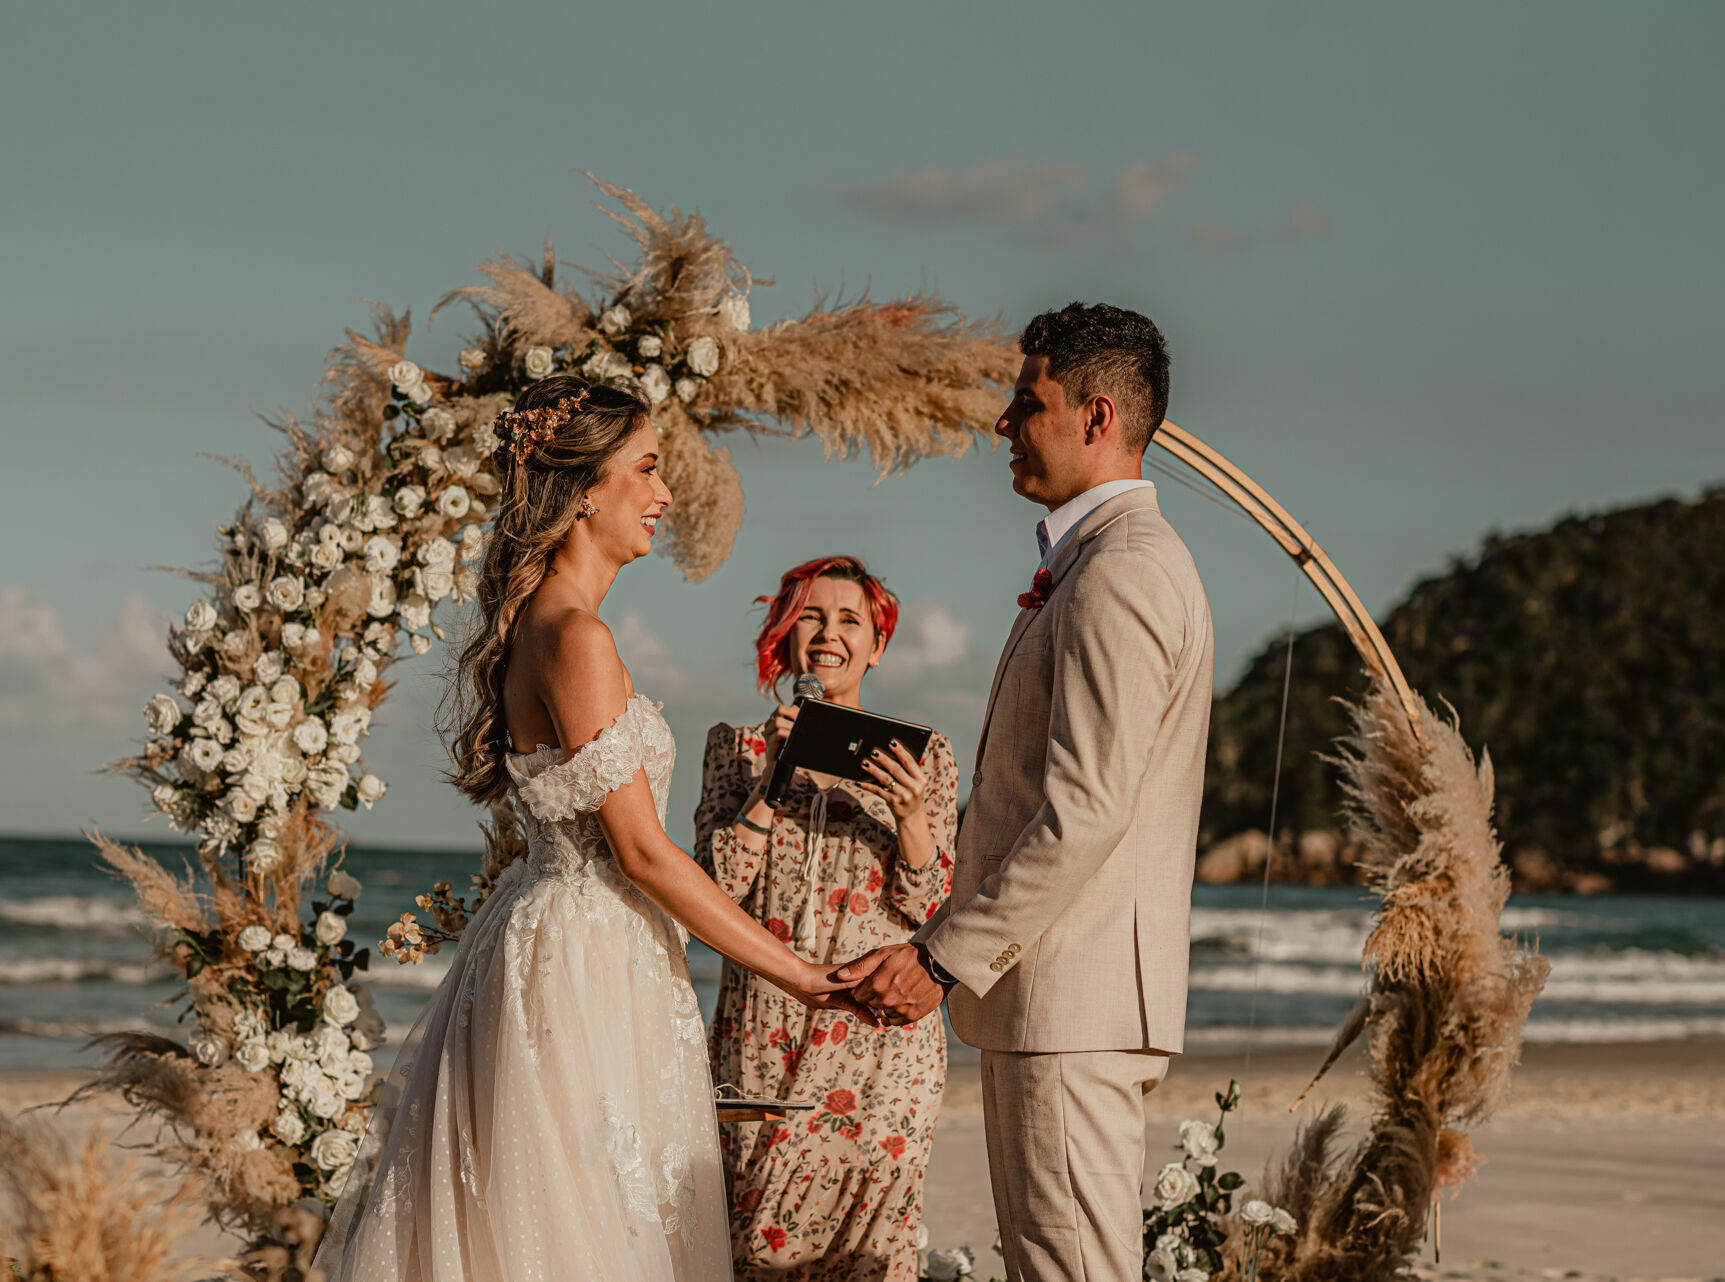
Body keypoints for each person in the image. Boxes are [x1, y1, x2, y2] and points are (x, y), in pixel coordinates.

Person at [318, 376, 867, 1282]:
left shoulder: (546, 627)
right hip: (584, 960)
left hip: (557, 939)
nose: (663, 495)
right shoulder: (576, 638)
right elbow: (645, 853)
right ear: (582, 489)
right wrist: (802, 976)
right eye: (646, 471)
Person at [840, 304, 1214, 1282]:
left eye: (1026, 401)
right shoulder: (1091, 564)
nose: (1001, 423)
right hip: (1055, 1002)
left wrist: (942, 956)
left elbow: (1086, 807)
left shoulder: (1123, 570)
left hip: (1072, 1004)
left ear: (1097, 415)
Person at [694, 556, 957, 1280]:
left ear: (877, 643)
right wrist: (771, 779)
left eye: (850, 620)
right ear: (784, 635)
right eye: (810, 615)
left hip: (883, 1041)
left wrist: (909, 814)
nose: (828, 634)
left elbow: (932, 910)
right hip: (764, 1029)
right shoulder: (735, 748)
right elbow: (713, 890)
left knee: (871, 1253)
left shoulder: (924, 757)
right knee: (750, 1243)